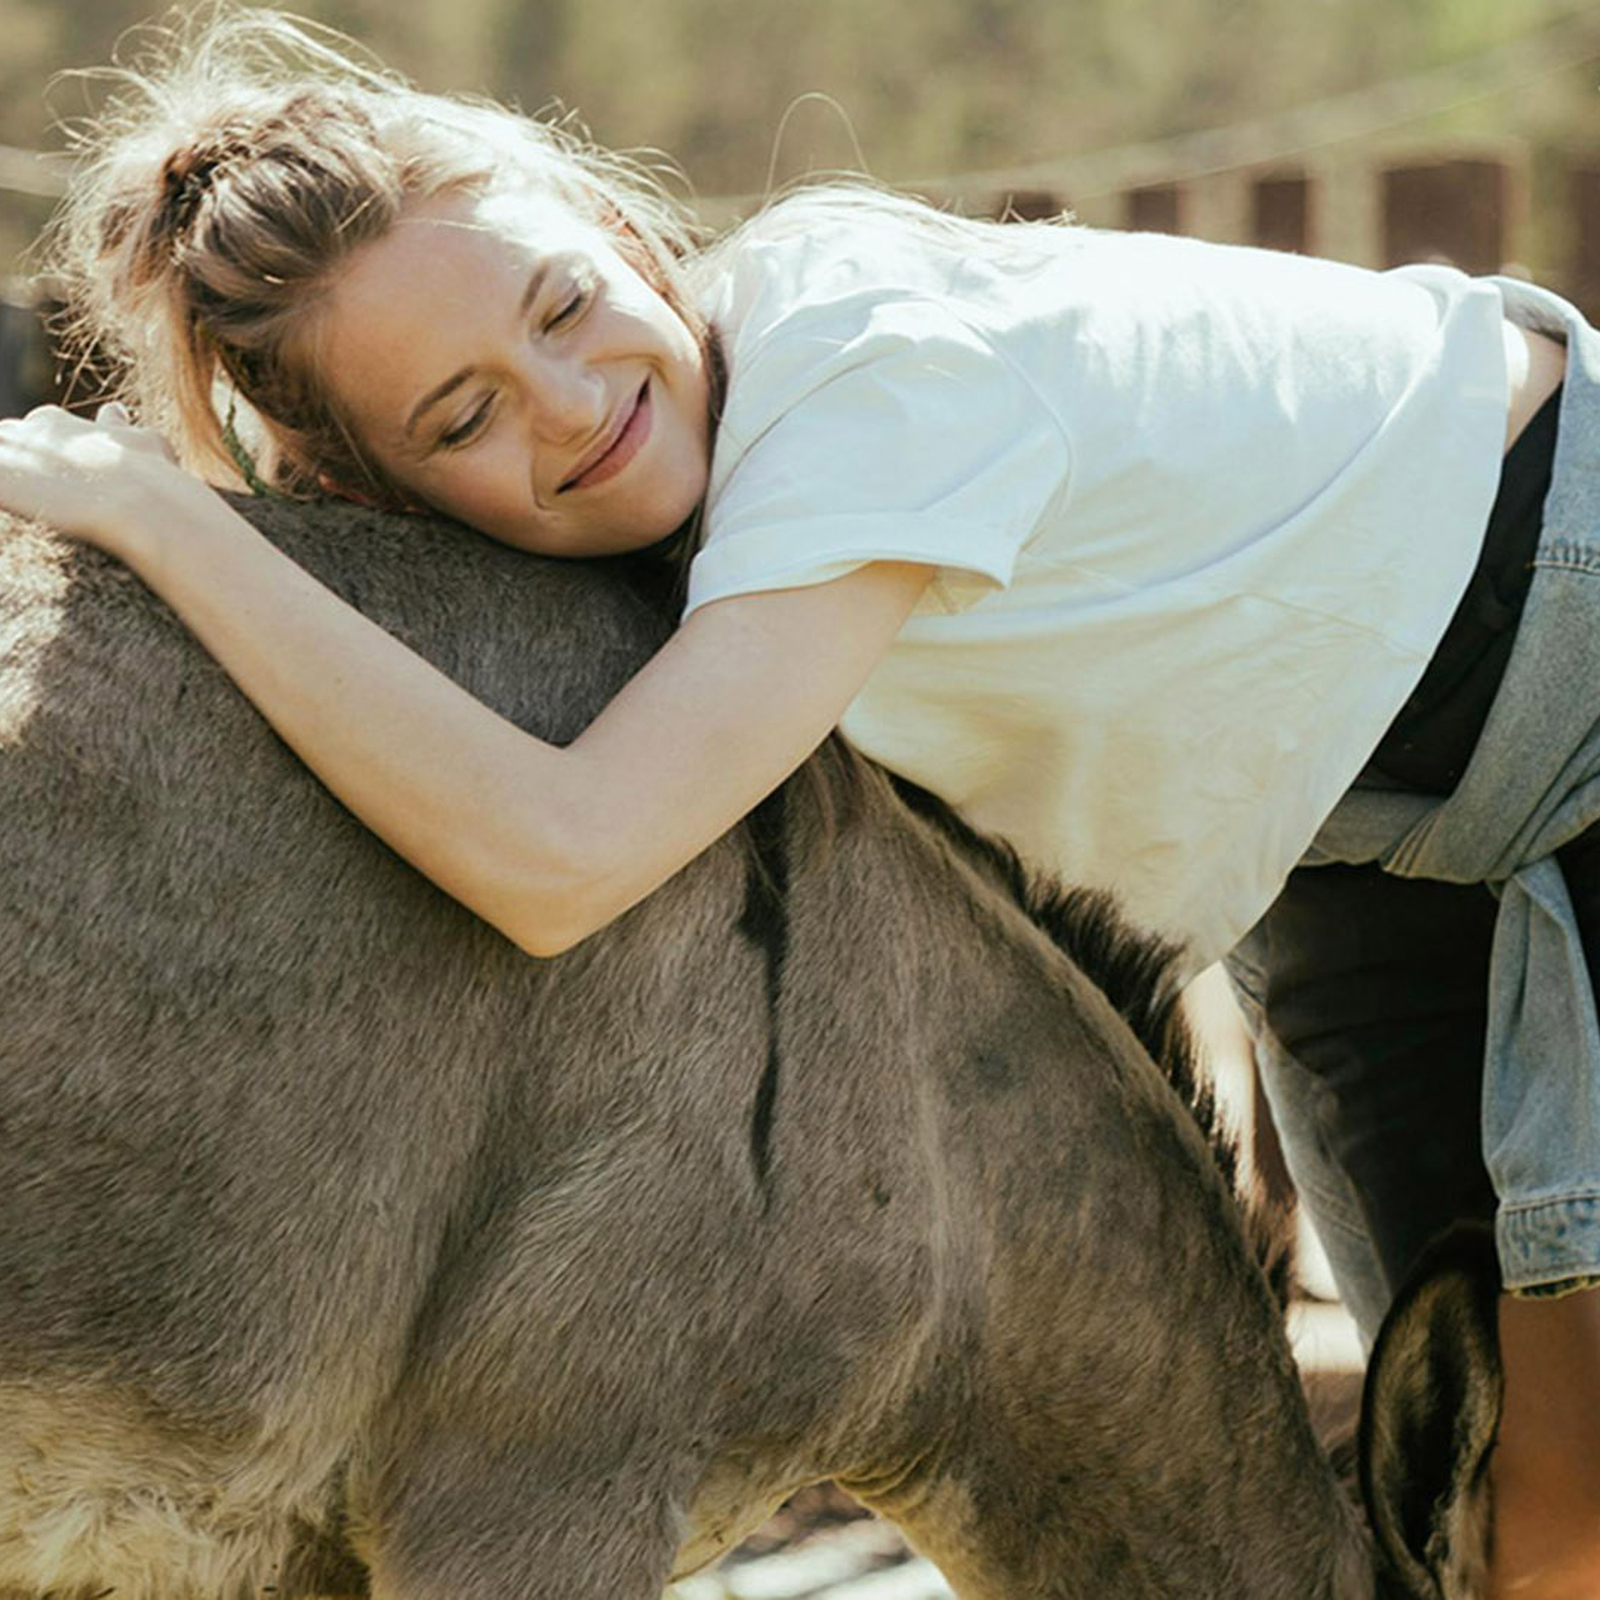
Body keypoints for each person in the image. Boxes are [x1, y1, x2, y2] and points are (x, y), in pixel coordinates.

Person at [0, 10, 1589, 1594]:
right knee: (1447, 1516)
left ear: (619, 222)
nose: (569, 402)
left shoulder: (861, 371)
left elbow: (565, 855)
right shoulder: (675, 528)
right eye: (464, 417)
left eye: (563, 304)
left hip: (1570, 656)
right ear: (368, 496)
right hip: (1361, 822)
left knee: (1552, 1518)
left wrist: (168, 522)